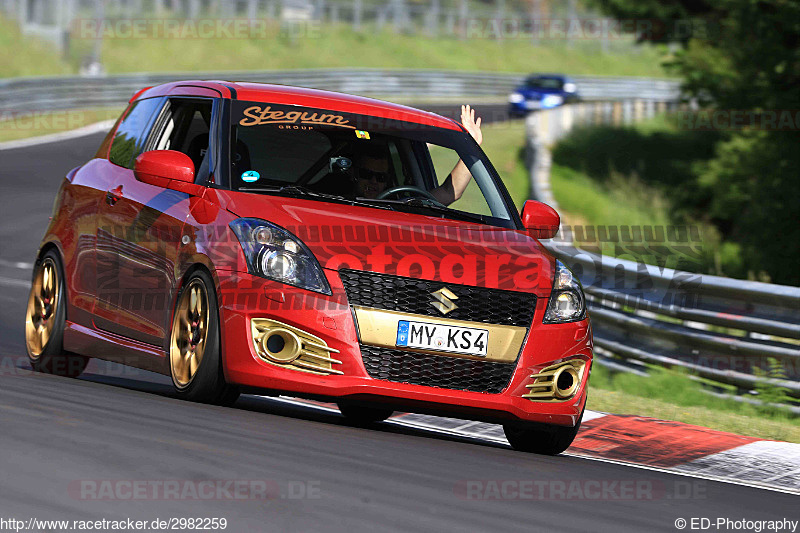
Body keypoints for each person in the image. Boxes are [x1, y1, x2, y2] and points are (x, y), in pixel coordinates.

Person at [351, 105, 483, 203]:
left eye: (381, 177)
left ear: (388, 181)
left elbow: (449, 191)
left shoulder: (402, 206)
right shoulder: (335, 201)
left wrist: (471, 147)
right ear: (354, 173)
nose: (373, 181)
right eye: (366, 174)